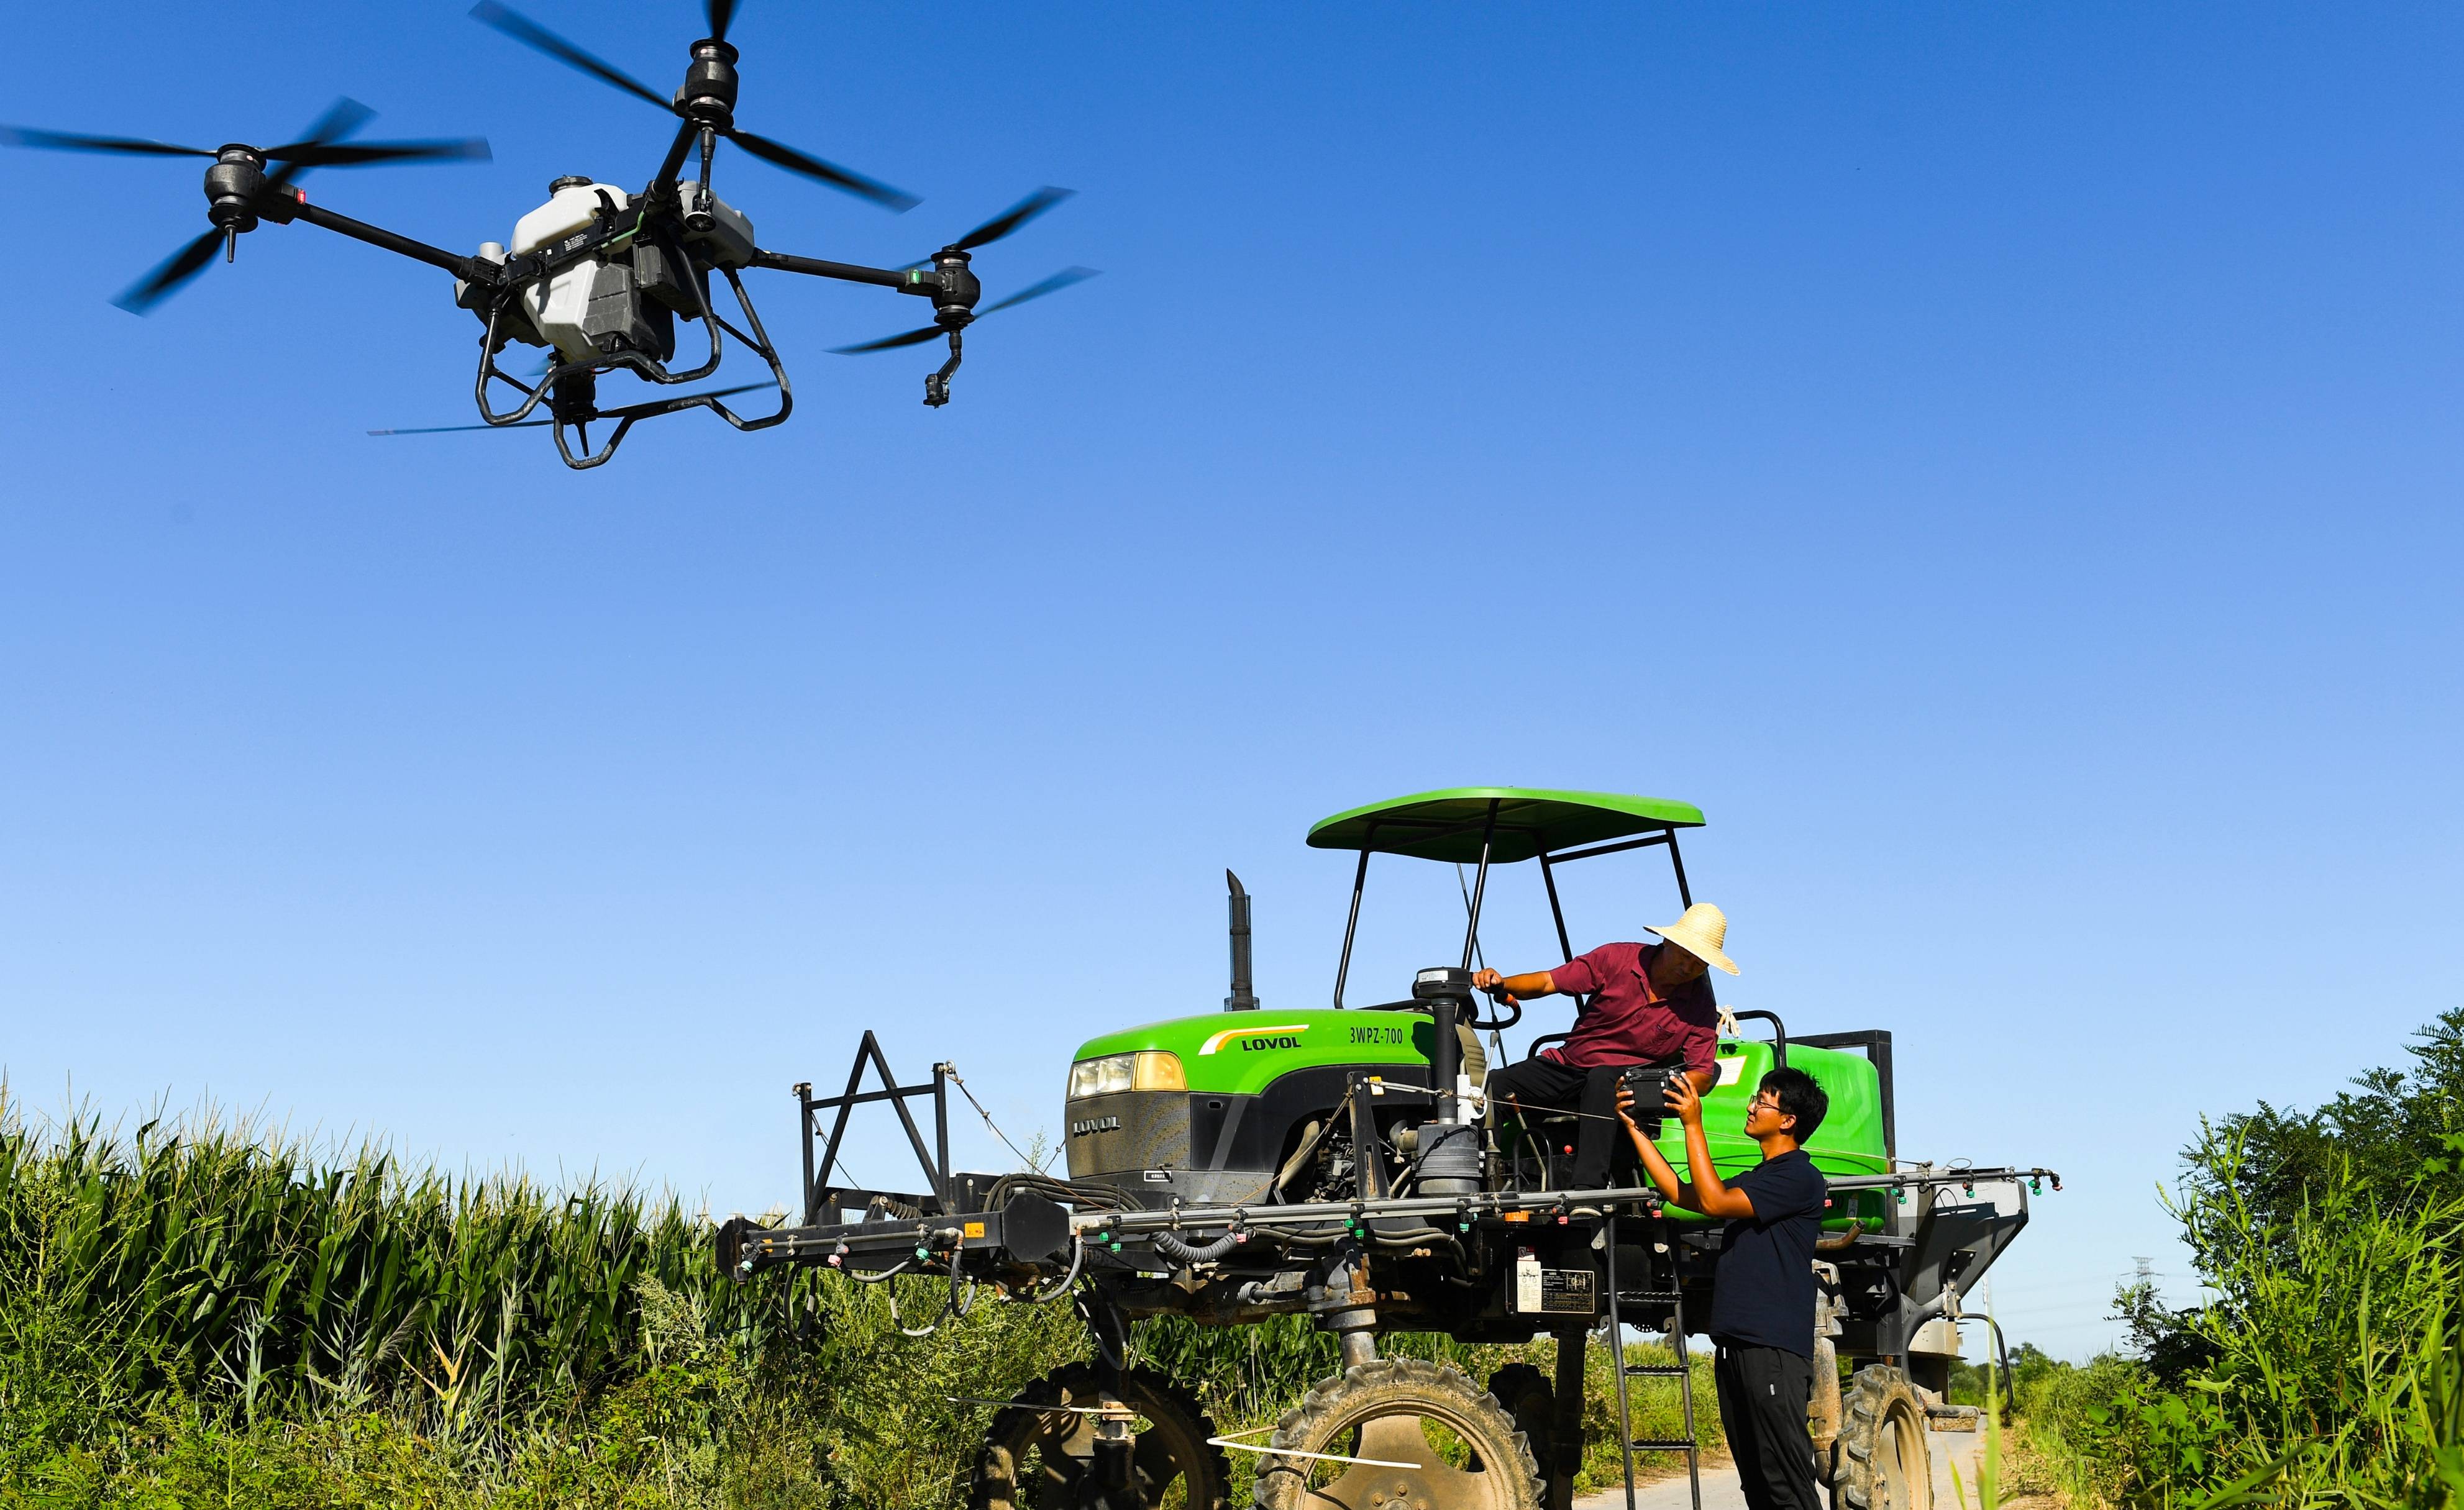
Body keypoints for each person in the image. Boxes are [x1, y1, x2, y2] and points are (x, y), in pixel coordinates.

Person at [1618, 1065, 1830, 1510]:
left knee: (1788, 1484)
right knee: (1758, 1486)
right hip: (1737, 1348)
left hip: (1770, 1350)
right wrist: (1637, 1131)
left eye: (1762, 1099)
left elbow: (1713, 1200)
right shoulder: (1761, 1177)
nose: (1751, 1105)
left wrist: (1693, 1124)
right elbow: (1685, 1194)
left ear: (1788, 1120)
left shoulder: (1799, 1177)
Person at [1472, 901, 1737, 1188]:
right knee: (1489, 1088)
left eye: (1698, 965)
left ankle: (1588, 1190)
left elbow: (1701, 1074)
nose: (1687, 968)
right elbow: (1549, 982)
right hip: (1569, 1064)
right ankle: (1481, 1180)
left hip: (1625, 1082)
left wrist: (1659, 1085)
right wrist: (1503, 984)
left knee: (1603, 1078)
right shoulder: (1617, 958)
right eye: (1685, 956)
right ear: (1667, 942)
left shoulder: (1700, 1005)